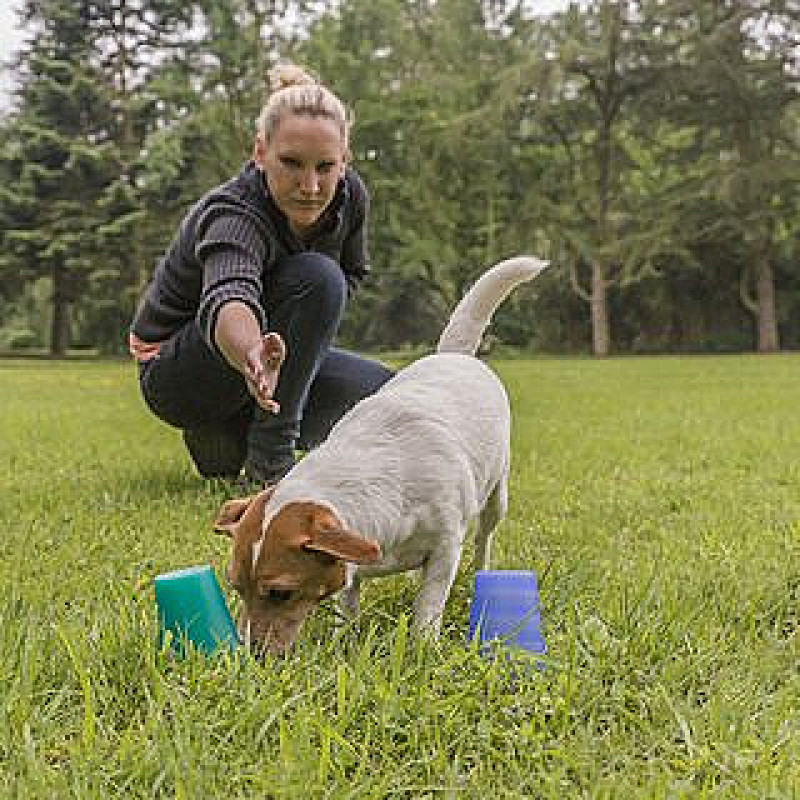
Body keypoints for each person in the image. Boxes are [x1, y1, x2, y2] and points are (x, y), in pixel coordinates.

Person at [128, 63, 394, 484]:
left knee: (386, 395)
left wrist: (300, 348)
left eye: (325, 166)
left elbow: (351, 276)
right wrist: (252, 351)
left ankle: (224, 434)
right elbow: (228, 294)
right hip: (177, 370)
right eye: (291, 163)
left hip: (273, 356)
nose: (310, 185)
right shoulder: (234, 213)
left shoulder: (351, 198)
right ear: (260, 152)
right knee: (317, 277)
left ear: (344, 160)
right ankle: (269, 460)